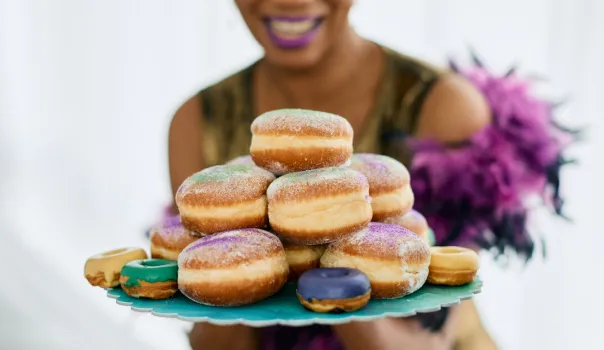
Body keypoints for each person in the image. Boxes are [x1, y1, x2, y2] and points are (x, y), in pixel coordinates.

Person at [167, 1, 573, 349]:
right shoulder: (197, 122)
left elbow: (434, 334)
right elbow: (214, 337)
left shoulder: (444, 107)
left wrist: (338, 278)